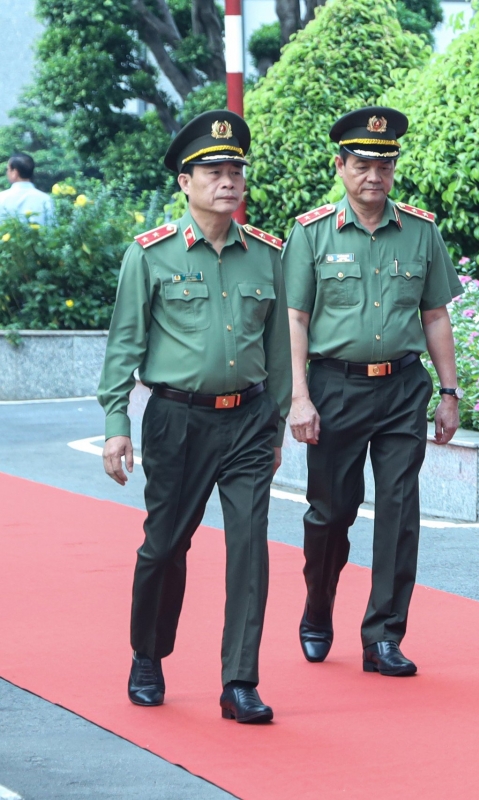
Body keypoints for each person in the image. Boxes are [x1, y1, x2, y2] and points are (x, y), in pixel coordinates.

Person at [97, 110, 291, 723]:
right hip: (176, 422)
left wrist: (280, 425)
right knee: (164, 546)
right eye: (213, 171)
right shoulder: (150, 255)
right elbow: (123, 346)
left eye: (235, 169)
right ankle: (148, 654)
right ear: (185, 182)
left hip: (250, 422)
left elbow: (281, 352)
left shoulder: (267, 254)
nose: (227, 180)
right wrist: (115, 425)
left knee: (249, 549)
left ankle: (240, 682)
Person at [284, 107, 462, 677]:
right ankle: (318, 606)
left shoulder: (420, 231)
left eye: (384, 165)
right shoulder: (311, 233)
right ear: (341, 167)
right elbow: (294, 319)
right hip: (335, 388)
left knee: (399, 511)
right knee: (331, 514)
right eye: (362, 164)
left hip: (402, 388)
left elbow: (435, 315)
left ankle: (384, 634)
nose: (374, 176)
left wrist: (450, 391)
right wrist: (299, 397)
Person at [0, 153, 55, 226]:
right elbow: (52, 229)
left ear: (15, 173)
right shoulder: (45, 199)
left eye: (8, 169)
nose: (7, 172)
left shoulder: (2, 198)